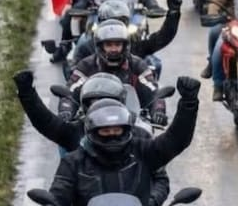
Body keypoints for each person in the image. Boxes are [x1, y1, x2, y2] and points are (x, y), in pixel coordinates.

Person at [13, 72, 171, 206]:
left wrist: (151, 201)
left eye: (109, 103)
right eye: (95, 103)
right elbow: (46, 122)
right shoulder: (74, 151)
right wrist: (27, 93)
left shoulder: (140, 137)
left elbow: (160, 177)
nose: (103, 109)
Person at [47, 76, 200, 206]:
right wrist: (53, 202)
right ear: (92, 131)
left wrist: (188, 103)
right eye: (105, 131)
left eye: (117, 130)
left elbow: (175, 141)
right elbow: (59, 192)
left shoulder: (142, 150)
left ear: (126, 129)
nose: (112, 135)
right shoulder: (73, 161)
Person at [60, 19, 167, 126]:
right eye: (109, 45)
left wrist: (158, 111)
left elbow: (153, 92)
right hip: (94, 125)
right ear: (100, 46)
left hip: (130, 124)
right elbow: (70, 92)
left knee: (151, 140)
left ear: (125, 46)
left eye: (117, 44)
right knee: (68, 139)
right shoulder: (86, 66)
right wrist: (66, 110)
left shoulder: (137, 65)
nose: (114, 49)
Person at [69, 0, 182, 77]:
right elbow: (73, 75)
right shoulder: (86, 43)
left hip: (131, 103)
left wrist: (173, 15)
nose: (113, 48)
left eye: (120, 22)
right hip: (94, 101)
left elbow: (162, 38)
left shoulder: (136, 44)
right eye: (108, 44)